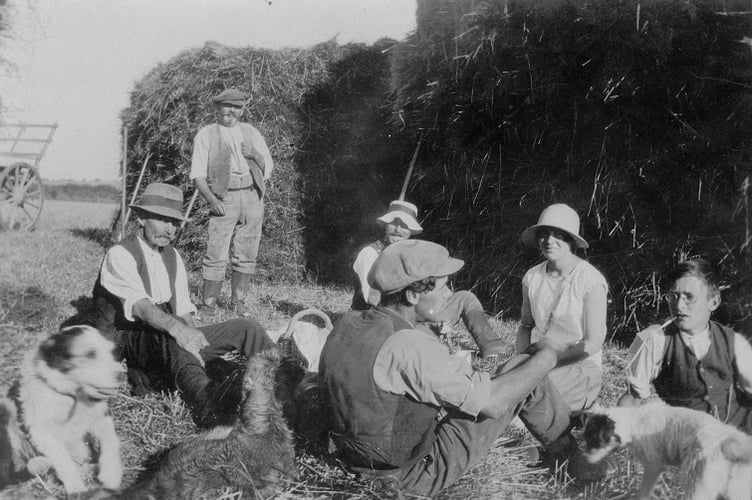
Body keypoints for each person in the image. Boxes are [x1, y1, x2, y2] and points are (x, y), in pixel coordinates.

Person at [320, 239, 606, 497]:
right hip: (406, 477)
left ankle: (565, 453)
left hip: (356, 456)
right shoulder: (409, 345)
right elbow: (493, 404)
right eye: (444, 286)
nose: (450, 294)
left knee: (519, 365)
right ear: (412, 296)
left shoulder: (349, 322)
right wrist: (548, 356)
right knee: (529, 376)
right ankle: (575, 463)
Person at [92, 182, 277, 428]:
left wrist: (196, 341)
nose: (170, 229)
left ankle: (285, 380)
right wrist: (180, 330)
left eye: (175, 223)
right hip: (130, 339)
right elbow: (140, 307)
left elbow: (183, 311)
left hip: (168, 333)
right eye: (162, 219)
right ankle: (209, 406)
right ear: (142, 218)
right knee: (173, 328)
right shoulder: (120, 254)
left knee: (247, 327)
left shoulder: (172, 257)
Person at [351, 200, 510, 359]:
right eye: (393, 223)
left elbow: (428, 292)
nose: (398, 229)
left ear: (411, 231)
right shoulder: (370, 254)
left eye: (404, 225)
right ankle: (449, 347)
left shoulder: (411, 252)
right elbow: (372, 298)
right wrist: (429, 317)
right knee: (444, 343)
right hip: (388, 323)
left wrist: (432, 311)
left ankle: (492, 347)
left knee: (464, 297)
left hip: (417, 313)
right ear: (385, 225)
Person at [620, 259, 752, 434]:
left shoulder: (733, 341)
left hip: (737, 437)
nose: (679, 306)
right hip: (687, 442)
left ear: (713, 302)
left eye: (689, 297)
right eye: (673, 296)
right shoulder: (654, 339)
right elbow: (633, 398)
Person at [516, 203, 608, 411]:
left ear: (572, 241)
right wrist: (521, 362)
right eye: (544, 234)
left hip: (577, 364)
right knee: (503, 388)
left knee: (529, 406)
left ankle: (587, 406)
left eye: (559, 235)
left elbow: (593, 343)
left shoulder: (591, 281)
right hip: (537, 360)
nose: (550, 241)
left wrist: (548, 362)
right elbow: (525, 325)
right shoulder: (532, 277)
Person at [190, 88, 273, 317]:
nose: (231, 112)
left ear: (243, 110)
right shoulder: (206, 135)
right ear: (217, 108)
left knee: (247, 248)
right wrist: (212, 199)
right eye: (227, 106)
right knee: (216, 250)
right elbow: (197, 174)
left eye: (237, 107)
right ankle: (209, 304)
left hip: (251, 194)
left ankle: (239, 301)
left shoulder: (251, 132)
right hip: (224, 197)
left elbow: (268, 165)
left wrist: (254, 154)